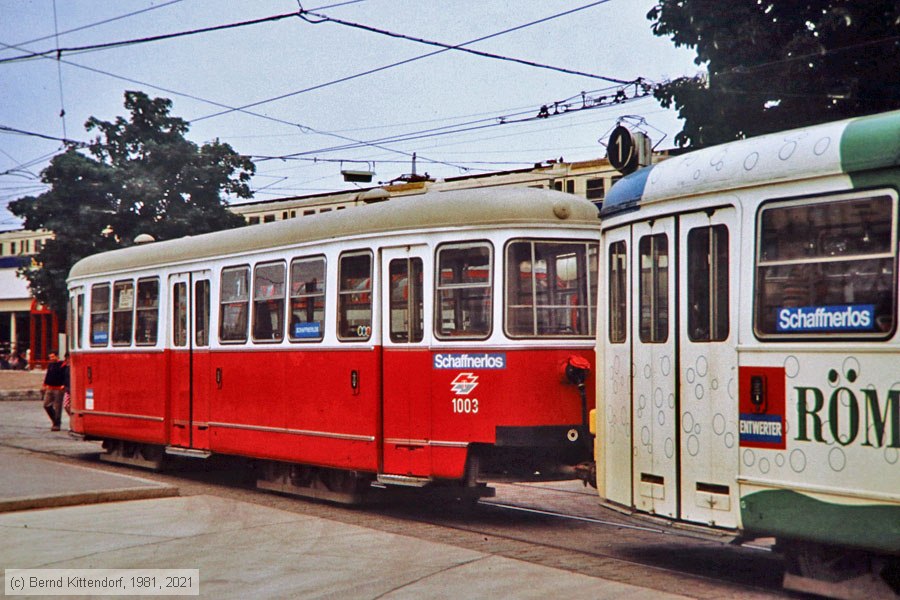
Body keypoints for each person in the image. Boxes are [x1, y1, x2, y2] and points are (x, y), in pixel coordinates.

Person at [42, 352, 66, 431]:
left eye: (52, 357)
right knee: (46, 405)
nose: (51, 359)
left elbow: (65, 375)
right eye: (50, 357)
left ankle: (57, 423)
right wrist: (45, 384)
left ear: (57, 356)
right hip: (50, 387)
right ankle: (54, 419)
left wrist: (64, 384)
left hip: (59, 388)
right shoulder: (50, 365)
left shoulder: (62, 364)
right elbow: (48, 375)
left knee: (57, 406)